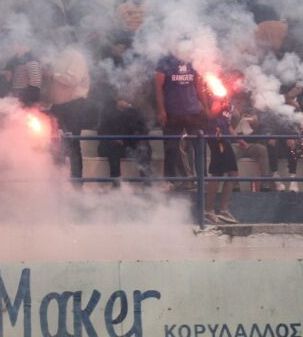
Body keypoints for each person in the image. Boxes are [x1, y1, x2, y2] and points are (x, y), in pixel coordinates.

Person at [155, 42, 209, 189]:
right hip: (173, 111)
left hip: (193, 111)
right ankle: (172, 179)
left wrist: (205, 107)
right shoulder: (165, 60)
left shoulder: (193, 60)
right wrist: (161, 110)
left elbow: (199, 86)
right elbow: (158, 86)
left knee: (199, 144)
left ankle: (201, 177)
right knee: (171, 146)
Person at [48, 47, 92, 179]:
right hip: (58, 106)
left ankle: (76, 182)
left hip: (74, 106)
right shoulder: (58, 58)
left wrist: (53, 75)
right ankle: (58, 181)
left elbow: (73, 80)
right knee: (56, 144)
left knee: (73, 144)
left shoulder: (75, 56)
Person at [96, 96, 152, 186]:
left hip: (129, 145)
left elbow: (142, 130)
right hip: (109, 145)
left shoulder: (134, 112)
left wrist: (131, 112)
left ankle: (147, 183)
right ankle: (116, 183)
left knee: (143, 147)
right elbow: (101, 131)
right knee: (113, 148)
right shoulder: (107, 112)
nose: (124, 101)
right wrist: (114, 139)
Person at [204, 85, 239, 224]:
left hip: (224, 138)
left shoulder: (228, 99)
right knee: (218, 173)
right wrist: (220, 105)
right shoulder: (217, 95)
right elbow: (211, 114)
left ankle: (222, 210)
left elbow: (227, 124)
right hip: (216, 137)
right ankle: (209, 210)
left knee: (232, 173)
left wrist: (239, 139)